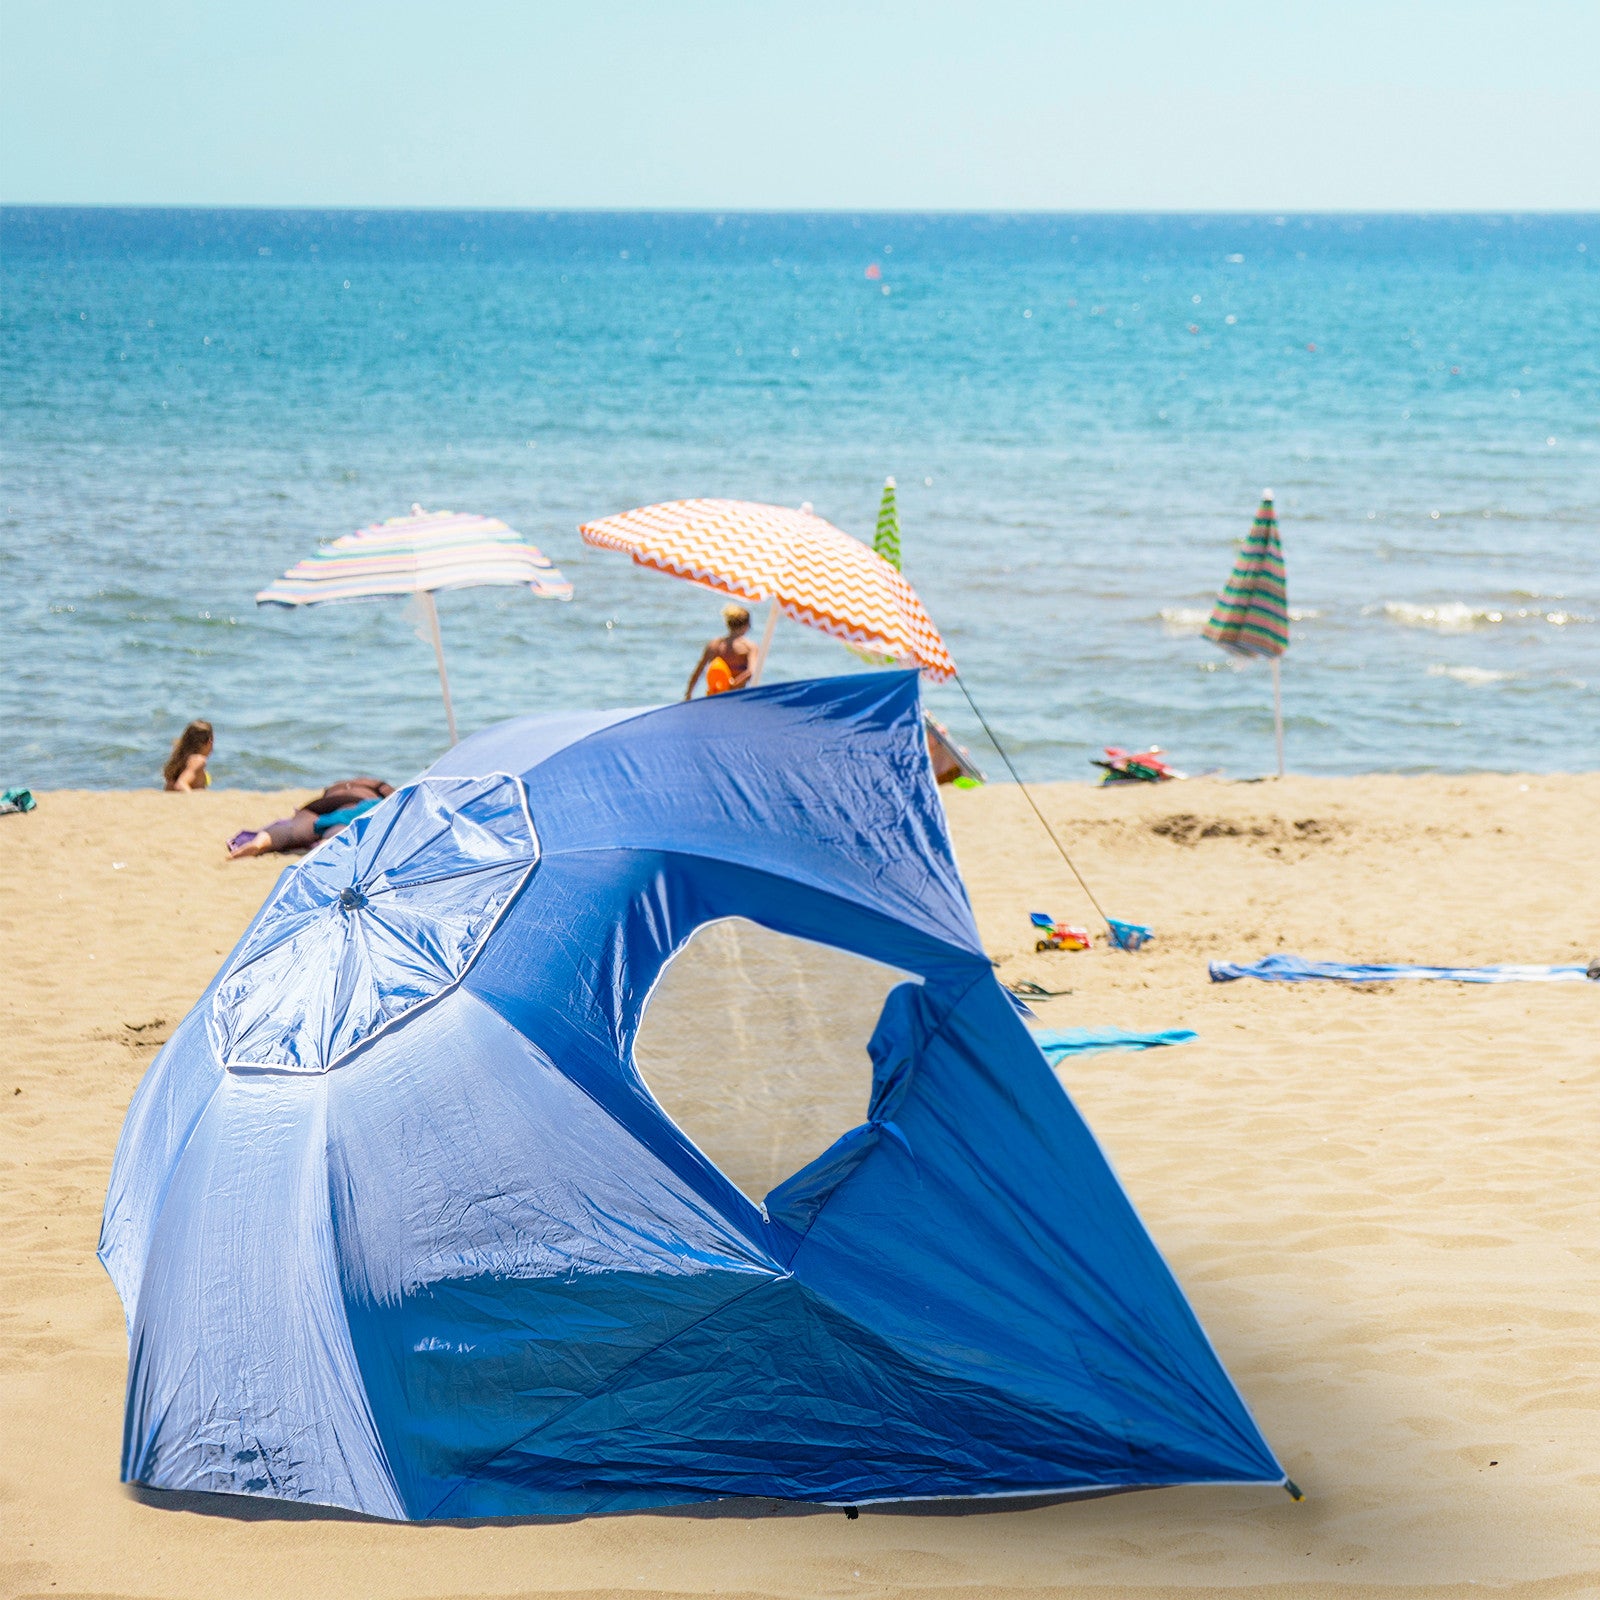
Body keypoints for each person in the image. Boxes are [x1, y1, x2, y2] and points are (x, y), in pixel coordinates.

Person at [227, 777, 395, 858]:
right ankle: (325, 844)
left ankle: (260, 843)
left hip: (318, 805)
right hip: (354, 802)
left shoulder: (335, 785)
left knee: (293, 828)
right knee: (339, 827)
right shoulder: (376, 784)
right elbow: (397, 800)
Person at [684, 605, 757, 699]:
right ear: (746, 625)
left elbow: (699, 671)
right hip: (737, 696)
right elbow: (750, 672)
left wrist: (688, 694)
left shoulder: (714, 645)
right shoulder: (749, 647)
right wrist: (732, 685)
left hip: (715, 696)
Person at [163, 721, 214, 791]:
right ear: (209, 741)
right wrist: (191, 798)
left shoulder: (181, 757)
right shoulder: (198, 760)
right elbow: (181, 784)